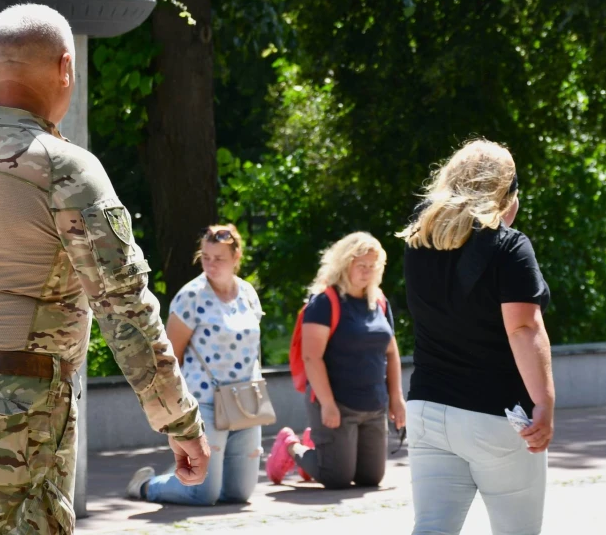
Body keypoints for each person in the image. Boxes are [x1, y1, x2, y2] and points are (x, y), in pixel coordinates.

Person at [0, 4, 208, 535]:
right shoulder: (64, 167)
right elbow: (121, 305)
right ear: (65, 66)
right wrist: (178, 419)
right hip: (20, 400)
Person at [398, 139, 554, 535]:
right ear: (506, 192)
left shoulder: (418, 241)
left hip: (427, 409)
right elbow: (523, 328)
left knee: (431, 528)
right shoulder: (510, 247)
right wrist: (545, 403)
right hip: (495, 415)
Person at [127, 224, 265, 505]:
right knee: (203, 494)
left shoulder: (248, 293)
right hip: (205, 402)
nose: (211, 265)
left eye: (219, 259)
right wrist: (173, 411)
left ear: (236, 258)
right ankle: (146, 485)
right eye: (206, 257)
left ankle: (183, 478)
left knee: (239, 494)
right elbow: (170, 357)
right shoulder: (191, 296)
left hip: (246, 400)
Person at [266, 232, 406, 489]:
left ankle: (322, 445)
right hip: (336, 405)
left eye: (372, 266)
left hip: (373, 405)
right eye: (360, 265)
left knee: (370, 478)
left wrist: (396, 399)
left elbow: (391, 352)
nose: (367, 272)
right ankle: (291, 446)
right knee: (336, 478)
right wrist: (328, 404)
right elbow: (311, 357)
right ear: (344, 264)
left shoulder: (380, 302)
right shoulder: (324, 302)